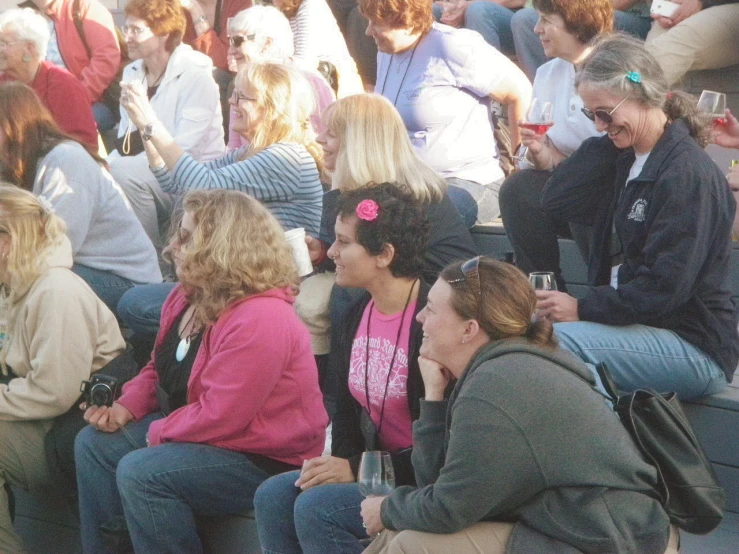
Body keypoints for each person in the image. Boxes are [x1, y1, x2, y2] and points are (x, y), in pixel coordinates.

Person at [358, 256, 677, 554]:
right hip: (571, 525)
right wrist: (433, 395)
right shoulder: (498, 368)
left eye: (431, 308)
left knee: (412, 545)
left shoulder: (497, 384)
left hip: (611, 537)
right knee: (397, 533)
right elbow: (437, 485)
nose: (419, 317)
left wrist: (386, 508)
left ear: (469, 329)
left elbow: (448, 508)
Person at [75, 189, 328, 554]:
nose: (172, 246)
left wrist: (157, 431)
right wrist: (125, 408)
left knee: (142, 472)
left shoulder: (261, 317)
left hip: (263, 456)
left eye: (187, 236)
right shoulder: (186, 295)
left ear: (222, 247)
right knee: (94, 445)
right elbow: (158, 366)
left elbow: (223, 415)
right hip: (208, 432)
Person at [536, 34, 738, 400]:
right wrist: (610, 133)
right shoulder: (626, 157)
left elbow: (665, 288)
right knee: (534, 339)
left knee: (558, 343)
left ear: (643, 96)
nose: (598, 125)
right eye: (590, 114)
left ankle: (608, 454)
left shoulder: (685, 173)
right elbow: (557, 200)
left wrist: (582, 307)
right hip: (642, 327)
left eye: (604, 113)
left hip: (694, 344)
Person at [254, 183, 432, 554]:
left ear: (383, 254)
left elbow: (445, 445)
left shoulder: (430, 319)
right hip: (378, 469)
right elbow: (346, 412)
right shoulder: (355, 313)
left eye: (343, 242)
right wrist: (344, 464)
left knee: (317, 508)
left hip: (425, 480)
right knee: (274, 495)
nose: (331, 252)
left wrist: (354, 468)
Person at [0, 186, 125, 554]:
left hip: (71, 429)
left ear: (6, 243)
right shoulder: (13, 286)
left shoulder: (56, 291)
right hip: (39, 420)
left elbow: (54, 392)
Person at [359, 0, 532, 224]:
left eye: (376, 23)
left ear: (406, 21)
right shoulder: (386, 52)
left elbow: (520, 91)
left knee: (417, 223)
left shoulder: (451, 45)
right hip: (409, 184)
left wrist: (519, 167)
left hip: (468, 181)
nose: (368, 31)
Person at [0, 82, 161, 312]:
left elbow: (58, 245)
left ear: (12, 127)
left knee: (39, 283)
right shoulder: (18, 164)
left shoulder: (66, 162)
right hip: (79, 262)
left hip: (125, 278)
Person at [499, 0, 613, 290]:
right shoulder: (548, 73)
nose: (537, 29)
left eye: (546, 20)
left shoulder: (618, 67)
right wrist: (539, 152)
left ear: (577, 23)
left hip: (615, 193)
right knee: (518, 189)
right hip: (570, 187)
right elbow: (544, 158)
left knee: (577, 194)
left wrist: (562, 164)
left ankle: (602, 296)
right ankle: (543, 291)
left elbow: (622, 149)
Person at [312, 93, 478, 284]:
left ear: (359, 145)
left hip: (434, 301)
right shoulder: (354, 193)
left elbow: (376, 268)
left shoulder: (408, 200)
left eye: (331, 134)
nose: (318, 138)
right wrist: (322, 252)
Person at [107, 0, 225, 261]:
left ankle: (151, 259)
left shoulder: (197, 73)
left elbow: (184, 149)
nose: (126, 37)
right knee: (99, 173)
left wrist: (118, 166)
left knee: (122, 173)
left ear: (164, 34)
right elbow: (128, 140)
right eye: (126, 29)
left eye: (136, 30)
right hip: (149, 166)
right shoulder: (132, 71)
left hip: (195, 173)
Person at [225, 5, 334, 151]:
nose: (231, 51)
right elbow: (234, 148)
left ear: (267, 43)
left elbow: (326, 144)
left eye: (238, 41)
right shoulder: (242, 85)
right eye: (230, 41)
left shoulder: (309, 82)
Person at [0, 7, 98, 149]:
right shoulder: (4, 83)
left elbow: (82, 144)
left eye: (3, 43)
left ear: (29, 48)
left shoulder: (64, 85)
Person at [20, 0, 122, 132]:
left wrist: (76, 99)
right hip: (46, 105)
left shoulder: (85, 8)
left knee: (55, 133)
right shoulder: (26, 18)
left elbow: (106, 59)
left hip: (95, 101)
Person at [511, 0, 651, 79]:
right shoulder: (544, 74)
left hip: (637, 19)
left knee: (587, 16)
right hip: (579, 9)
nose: (537, 29)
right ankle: (540, 100)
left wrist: (576, 6)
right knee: (524, 18)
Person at [178, 0, 253, 138]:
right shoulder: (177, 7)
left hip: (229, 77)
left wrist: (195, 9)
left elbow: (225, 59)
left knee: (218, 79)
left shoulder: (238, 3)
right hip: (190, 77)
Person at [273, 0, 364, 97]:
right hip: (310, 85)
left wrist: (268, 62)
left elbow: (304, 62)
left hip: (334, 87)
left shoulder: (311, 5)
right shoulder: (283, 11)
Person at [645, 0, 739, 87]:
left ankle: (636, 100)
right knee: (648, 59)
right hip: (678, 7)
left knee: (664, 52)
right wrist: (665, 6)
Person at [432, 0, 525, 56]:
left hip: (510, 23)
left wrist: (466, 6)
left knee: (478, 10)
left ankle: (488, 79)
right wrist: (449, 8)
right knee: (430, 10)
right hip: (466, 11)